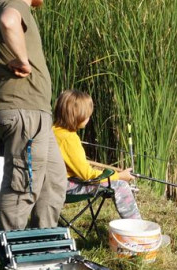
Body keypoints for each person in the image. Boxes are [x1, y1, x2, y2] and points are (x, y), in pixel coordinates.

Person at [0, 0, 66, 231]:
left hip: (35, 112)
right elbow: (8, 21)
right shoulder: (12, 4)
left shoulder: (16, 6)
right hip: (23, 109)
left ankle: (43, 242)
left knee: (54, 180)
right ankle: (12, 250)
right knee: (23, 186)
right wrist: (22, 60)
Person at [52, 89, 142, 220]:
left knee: (114, 180)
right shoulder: (69, 139)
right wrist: (119, 176)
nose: (89, 118)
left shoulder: (54, 130)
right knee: (121, 185)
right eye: (88, 115)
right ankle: (137, 229)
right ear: (78, 115)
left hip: (52, 183)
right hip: (64, 187)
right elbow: (88, 176)